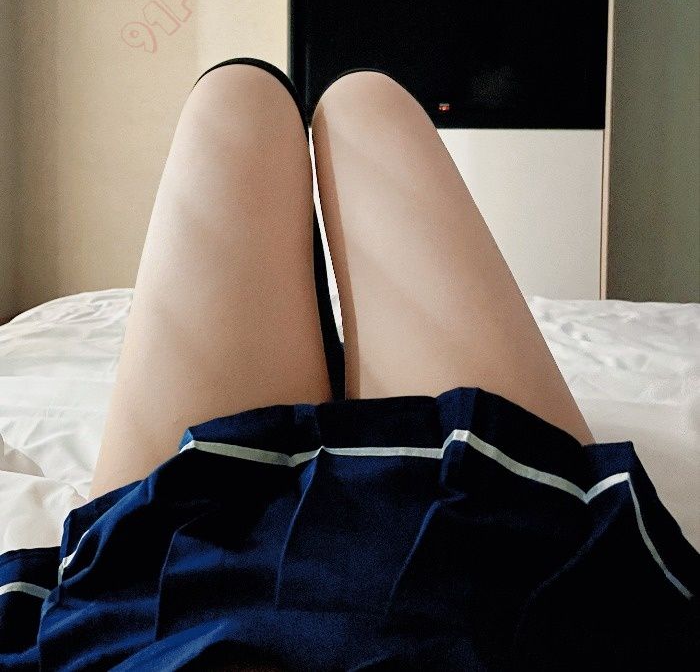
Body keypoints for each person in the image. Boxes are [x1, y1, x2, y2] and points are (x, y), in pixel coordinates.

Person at [1, 59, 698, 670]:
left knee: (246, 97)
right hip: (502, 570)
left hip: (164, 589)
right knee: (355, 101)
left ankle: (322, 367)